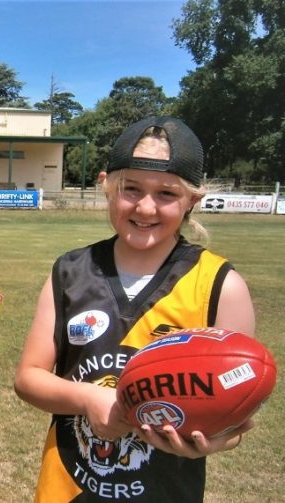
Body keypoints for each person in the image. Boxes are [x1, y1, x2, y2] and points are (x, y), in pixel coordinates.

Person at [14, 116, 256, 502]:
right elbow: (28, 378)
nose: (145, 208)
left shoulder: (221, 286)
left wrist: (214, 442)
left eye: (166, 193)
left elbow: (237, 407)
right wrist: (88, 399)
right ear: (108, 186)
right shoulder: (70, 271)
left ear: (192, 200)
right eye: (131, 189)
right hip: (68, 488)